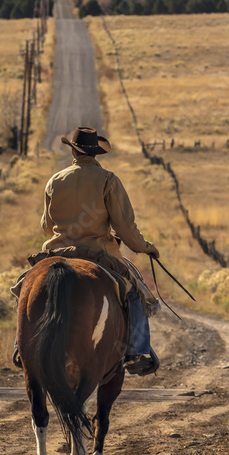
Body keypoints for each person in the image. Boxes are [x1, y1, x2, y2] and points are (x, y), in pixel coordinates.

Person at [13, 126, 160, 375]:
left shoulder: (55, 180)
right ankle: (138, 350)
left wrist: (68, 231)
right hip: (98, 252)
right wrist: (145, 247)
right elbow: (125, 227)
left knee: (24, 289)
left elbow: (47, 227)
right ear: (96, 154)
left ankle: (20, 345)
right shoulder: (108, 180)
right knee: (134, 292)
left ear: (73, 150)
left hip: (58, 251)